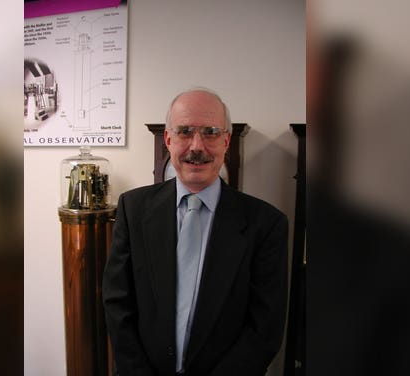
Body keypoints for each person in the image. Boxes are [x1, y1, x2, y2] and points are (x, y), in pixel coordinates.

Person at [102, 88, 289, 375]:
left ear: (226, 141)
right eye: (185, 132)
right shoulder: (133, 209)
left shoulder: (266, 224)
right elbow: (117, 304)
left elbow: (264, 330)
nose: (197, 146)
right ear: (168, 139)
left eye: (211, 132)